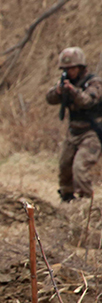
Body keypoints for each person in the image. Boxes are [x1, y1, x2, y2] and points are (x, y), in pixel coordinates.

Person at [47, 46, 102, 201]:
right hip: (73, 131)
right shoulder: (65, 82)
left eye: (71, 69)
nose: (68, 72)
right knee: (65, 164)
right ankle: (67, 196)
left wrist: (74, 91)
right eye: (65, 69)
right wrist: (58, 91)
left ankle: (86, 203)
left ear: (80, 67)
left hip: (92, 132)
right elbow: (49, 98)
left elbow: (88, 101)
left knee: (80, 167)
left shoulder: (94, 82)